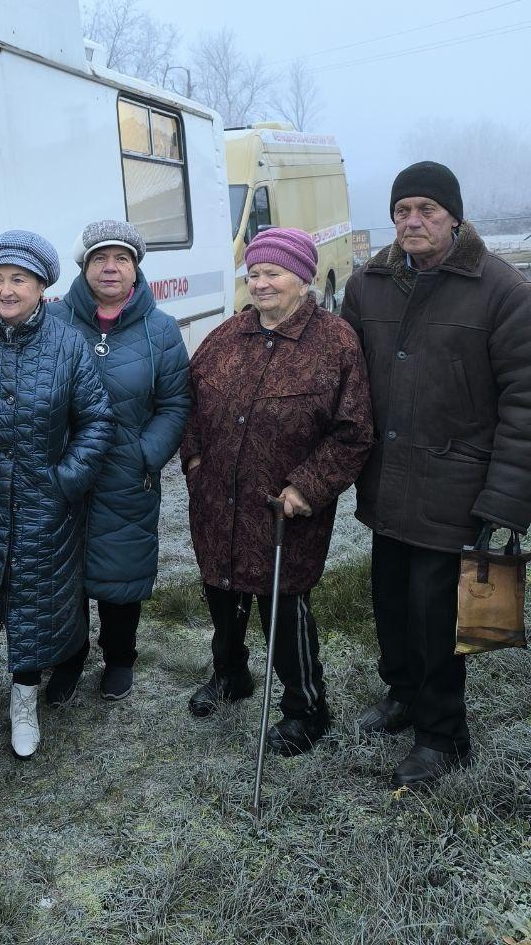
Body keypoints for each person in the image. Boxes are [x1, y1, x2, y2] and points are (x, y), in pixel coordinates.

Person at [342, 162, 531, 788]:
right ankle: (401, 696)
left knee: (436, 615)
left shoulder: (500, 289)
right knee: (390, 603)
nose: (413, 221)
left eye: (426, 209)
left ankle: (443, 735)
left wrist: (505, 497)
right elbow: (344, 377)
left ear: (454, 215)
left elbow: (524, 399)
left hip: (458, 484)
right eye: (402, 211)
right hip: (386, 480)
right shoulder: (368, 284)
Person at [182, 227, 373, 755]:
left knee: (282, 608)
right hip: (219, 499)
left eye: (274, 273)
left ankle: (307, 707)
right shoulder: (227, 335)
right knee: (222, 592)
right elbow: (189, 400)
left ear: (303, 278)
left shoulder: (334, 342)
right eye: (255, 273)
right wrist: (195, 458)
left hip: (284, 509)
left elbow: (353, 431)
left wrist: (307, 487)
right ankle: (231, 675)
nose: (261, 283)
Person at [0, 229, 113, 765]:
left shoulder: (66, 343)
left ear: (41, 288)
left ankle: (24, 702)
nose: (6, 290)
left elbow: (96, 419)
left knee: (32, 605)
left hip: (43, 505)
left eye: (19, 280)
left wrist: (65, 481)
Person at [45, 219, 190, 704]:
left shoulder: (161, 330)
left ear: (135, 270)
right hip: (63, 476)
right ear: (84, 268)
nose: (110, 268)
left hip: (128, 476)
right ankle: (67, 659)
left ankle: (119, 658)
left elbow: (175, 404)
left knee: (120, 573)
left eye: (121, 259)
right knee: (63, 575)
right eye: (99, 259)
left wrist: (146, 455)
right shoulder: (54, 322)